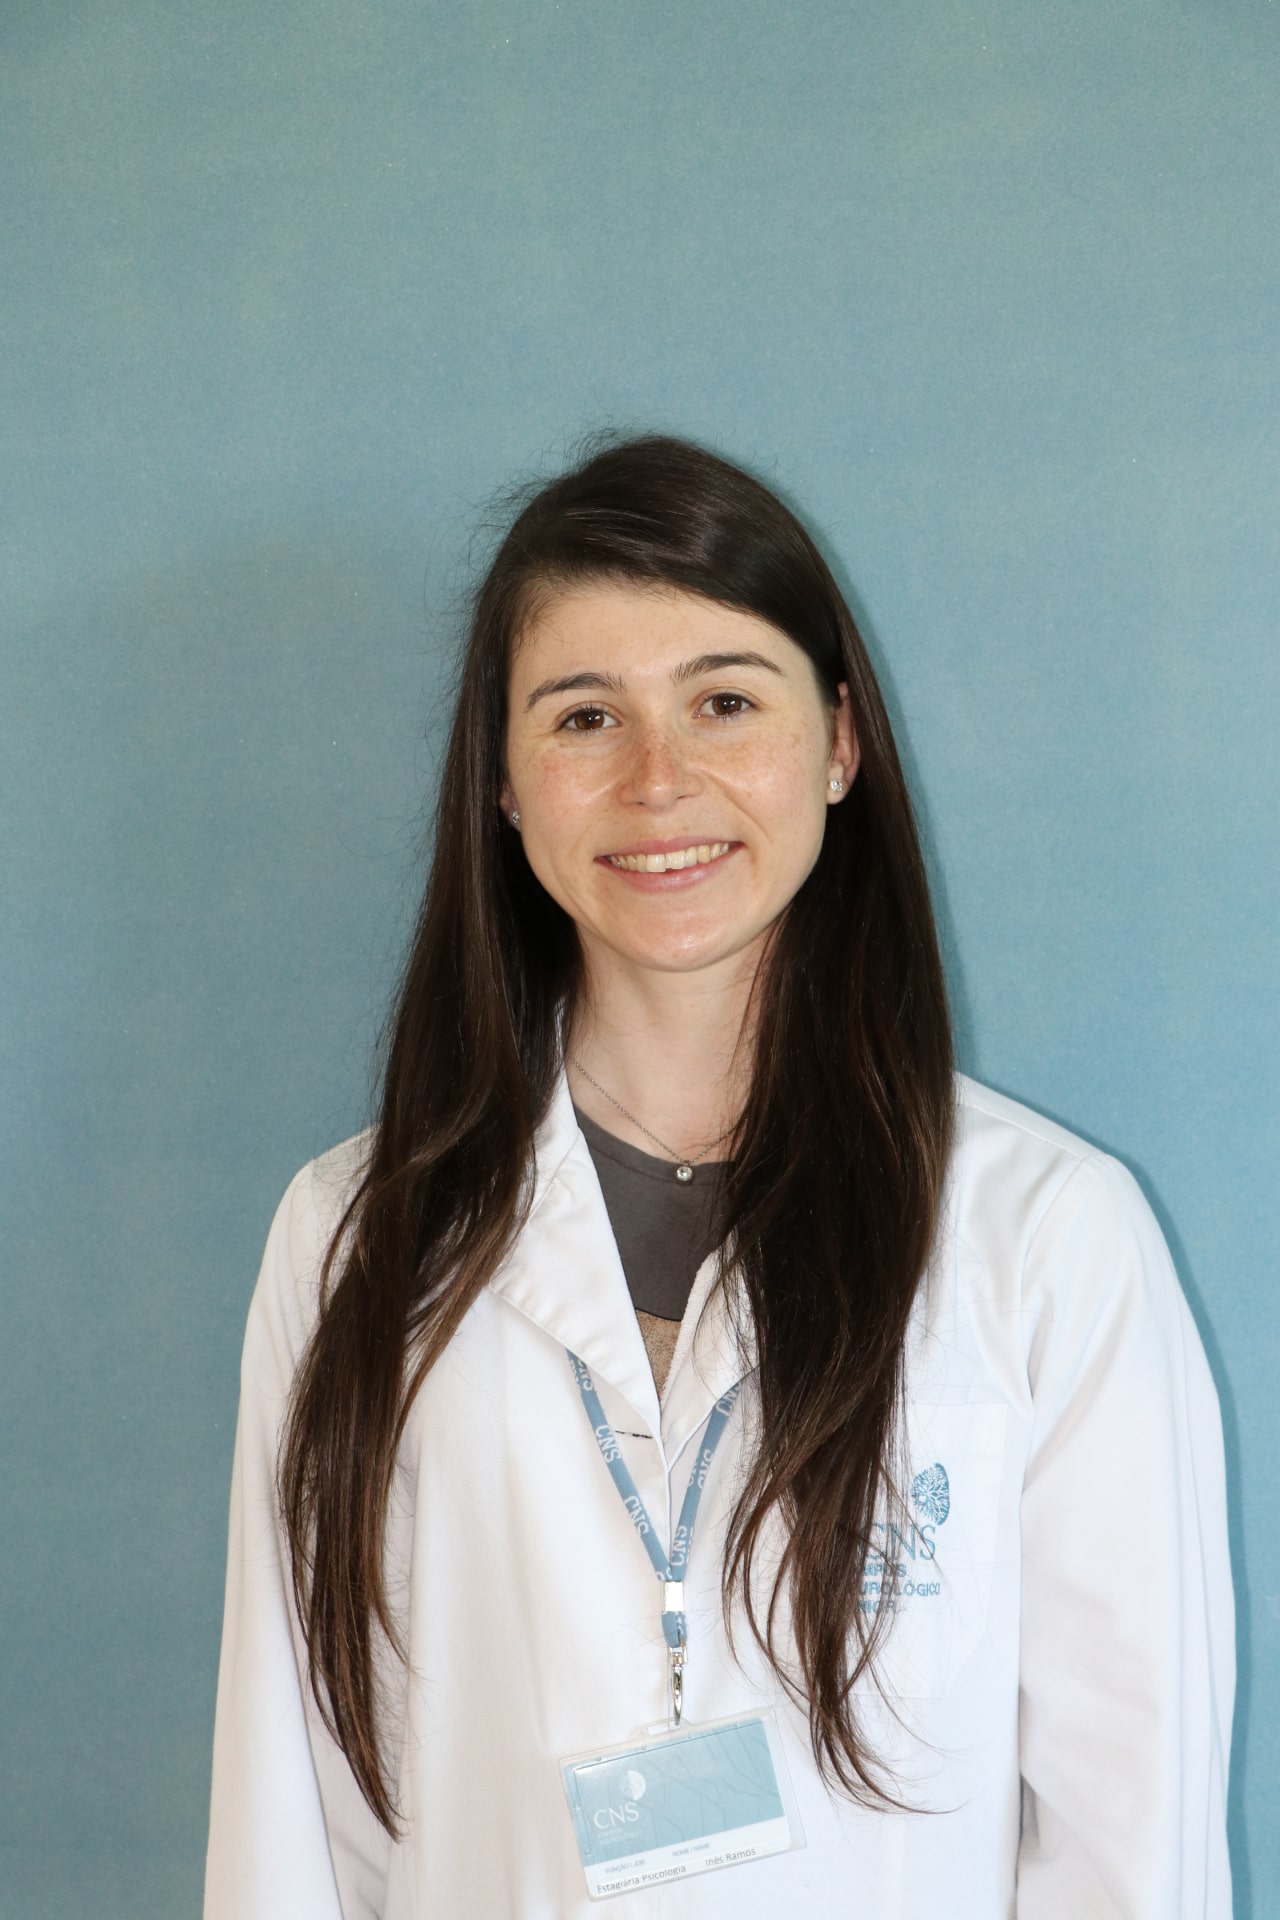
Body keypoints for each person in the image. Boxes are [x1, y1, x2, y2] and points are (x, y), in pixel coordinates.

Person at [204, 435, 1234, 1918]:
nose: (659, 781)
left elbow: (1128, 1837)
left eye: (725, 702)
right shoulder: (355, 1243)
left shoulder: (1046, 1238)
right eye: (584, 717)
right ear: (504, 784)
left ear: (839, 742)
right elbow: (296, 1824)